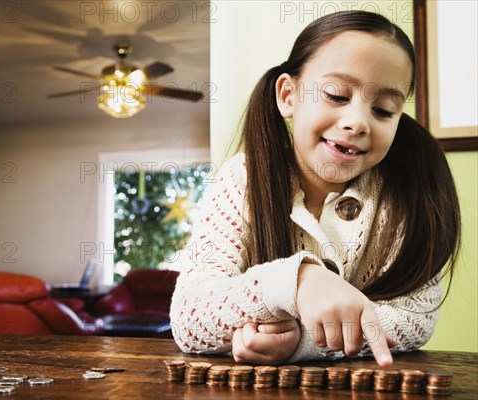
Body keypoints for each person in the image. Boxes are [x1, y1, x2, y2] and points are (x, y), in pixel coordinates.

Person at [169, 11, 461, 367]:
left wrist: (304, 341)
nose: (357, 122)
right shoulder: (242, 180)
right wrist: (295, 281)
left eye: (384, 110)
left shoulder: (406, 195)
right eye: (337, 95)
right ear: (288, 96)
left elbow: (414, 319)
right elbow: (190, 312)